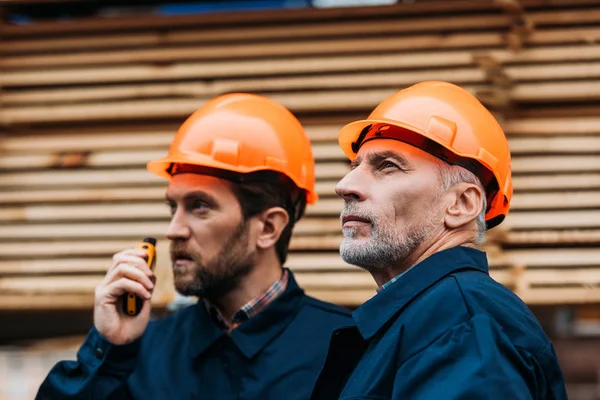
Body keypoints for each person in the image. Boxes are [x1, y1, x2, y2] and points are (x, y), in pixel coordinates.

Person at [36, 93, 352, 400]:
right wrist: (108, 349)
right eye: (173, 208)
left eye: (199, 206)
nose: (173, 230)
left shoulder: (346, 348)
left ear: (268, 228)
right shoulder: (137, 352)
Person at [310, 81, 567, 399]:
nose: (344, 185)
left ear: (461, 205)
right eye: (354, 166)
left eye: (388, 166)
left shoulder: (463, 329)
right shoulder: (430, 322)